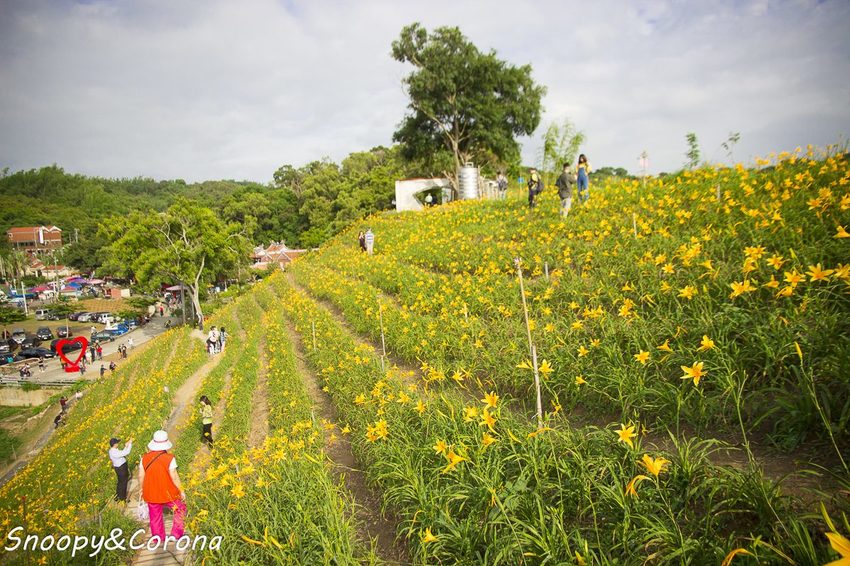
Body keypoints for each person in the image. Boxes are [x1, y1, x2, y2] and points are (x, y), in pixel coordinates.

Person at [138, 430, 186, 542]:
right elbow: (174, 476)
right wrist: (181, 490)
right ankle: (176, 534)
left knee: (155, 516)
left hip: (151, 492)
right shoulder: (169, 458)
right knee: (180, 508)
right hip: (168, 492)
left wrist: (142, 489)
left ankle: (158, 538)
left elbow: (141, 475)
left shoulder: (144, 458)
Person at [109, 437, 133, 502]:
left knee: (120, 482)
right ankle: (123, 498)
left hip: (119, 468)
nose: (118, 444)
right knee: (124, 483)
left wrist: (126, 446)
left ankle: (117, 496)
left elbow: (122, 452)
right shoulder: (114, 452)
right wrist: (130, 444)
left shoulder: (112, 450)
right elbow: (126, 452)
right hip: (121, 468)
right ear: (115, 444)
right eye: (117, 442)